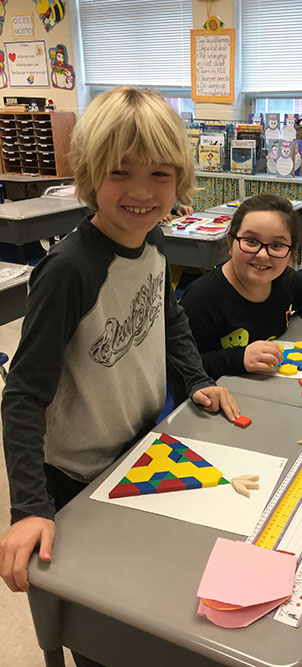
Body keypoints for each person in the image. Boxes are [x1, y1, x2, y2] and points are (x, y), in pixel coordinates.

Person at [0, 87, 239, 612]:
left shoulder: (153, 239)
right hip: (74, 474)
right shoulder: (68, 271)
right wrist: (29, 508)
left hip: (138, 447)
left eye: (158, 173)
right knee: (99, 614)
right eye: (119, 172)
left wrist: (197, 379)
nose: (141, 191)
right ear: (89, 176)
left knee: (154, 593)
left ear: (179, 176)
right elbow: (21, 395)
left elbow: (168, 312)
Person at [177, 194, 302, 390]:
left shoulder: (283, 279)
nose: (262, 255)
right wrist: (238, 358)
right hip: (216, 402)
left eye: (277, 245)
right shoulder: (202, 298)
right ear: (230, 243)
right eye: (251, 241)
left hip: (269, 390)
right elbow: (178, 366)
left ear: (291, 252)